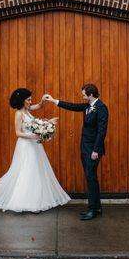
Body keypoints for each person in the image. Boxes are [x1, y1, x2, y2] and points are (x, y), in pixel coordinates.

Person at [0, 88, 70, 212]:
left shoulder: (27, 110)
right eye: (28, 99)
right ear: (22, 101)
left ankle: (36, 201)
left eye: (30, 99)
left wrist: (44, 102)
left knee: (35, 170)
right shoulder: (19, 114)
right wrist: (34, 135)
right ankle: (24, 202)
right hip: (26, 145)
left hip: (34, 145)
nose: (30, 101)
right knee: (26, 170)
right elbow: (18, 133)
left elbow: (38, 106)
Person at [43, 84, 108, 220]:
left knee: (90, 178)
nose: (82, 96)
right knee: (91, 178)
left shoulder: (101, 108)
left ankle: (92, 210)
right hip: (84, 148)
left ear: (91, 95)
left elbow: (102, 131)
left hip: (93, 150)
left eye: (84, 94)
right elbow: (72, 106)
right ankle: (97, 206)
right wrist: (54, 101)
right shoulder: (87, 106)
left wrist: (96, 150)